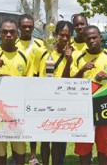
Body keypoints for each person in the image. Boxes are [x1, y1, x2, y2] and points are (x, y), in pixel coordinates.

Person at [72, 25, 107, 165]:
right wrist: (82, 70)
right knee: (84, 147)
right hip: (83, 109)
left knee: (105, 146)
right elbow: (70, 83)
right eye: (88, 39)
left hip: (106, 108)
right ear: (84, 40)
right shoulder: (79, 57)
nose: (92, 41)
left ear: (100, 37)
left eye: (94, 37)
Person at [0, 19, 29, 165]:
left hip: (19, 108)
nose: (8, 35)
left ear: (17, 34)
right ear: (0, 34)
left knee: (20, 146)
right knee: (0, 146)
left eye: (12, 32)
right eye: (5, 32)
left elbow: (31, 83)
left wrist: (11, 81)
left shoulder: (25, 56)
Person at [33, 20, 77, 165]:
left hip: (62, 102)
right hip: (43, 100)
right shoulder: (42, 51)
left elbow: (68, 81)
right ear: (55, 34)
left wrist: (68, 60)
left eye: (67, 36)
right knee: (45, 138)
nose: (64, 38)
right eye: (61, 34)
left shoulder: (73, 55)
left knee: (58, 139)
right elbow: (34, 74)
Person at [16, 13, 44, 165]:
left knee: (33, 124)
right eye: (24, 26)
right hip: (16, 90)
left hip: (34, 89)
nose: (27, 29)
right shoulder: (13, 43)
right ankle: (17, 153)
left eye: (30, 26)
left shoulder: (40, 44)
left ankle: (33, 155)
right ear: (19, 27)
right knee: (17, 122)